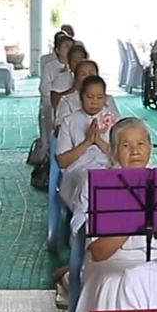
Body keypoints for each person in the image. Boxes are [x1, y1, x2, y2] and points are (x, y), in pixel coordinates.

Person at [66, 118, 157, 312]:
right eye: (126, 145)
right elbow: (99, 252)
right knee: (113, 283)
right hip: (111, 261)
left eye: (141, 144)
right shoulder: (99, 185)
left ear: (150, 147)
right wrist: (139, 217)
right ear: (113, 150)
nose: (135, 151)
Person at [55, 75, 116, 229]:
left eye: (99, 97)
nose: (94, 102)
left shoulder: (114, 121)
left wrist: (99, 141)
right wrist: (87, 142)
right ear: (81, 97)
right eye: (90, 97)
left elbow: (120, 155)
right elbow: (62, 160)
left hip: (108, 165)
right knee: (88, 182)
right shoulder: (69, 121)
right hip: (79, 169)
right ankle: (81, 232)